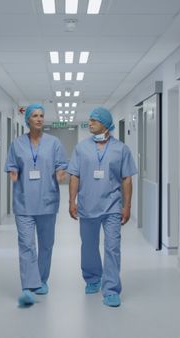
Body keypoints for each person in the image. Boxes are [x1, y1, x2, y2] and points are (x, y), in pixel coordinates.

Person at [66, 107, 137, 308]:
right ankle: (92, 278)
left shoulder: (121, 149)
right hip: (87, 204)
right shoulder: (81, 148)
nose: (90, 123)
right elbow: (75, 176)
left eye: (94, 120)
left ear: (105, 123)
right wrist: (72, 201)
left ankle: (112, 289)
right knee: (88, 246)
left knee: (112, 247)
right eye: (89, 120)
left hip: (112, 205)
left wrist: (127, 205)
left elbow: (127, 179)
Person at [5, 103, 68, 306]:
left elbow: (61, 164)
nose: (39, 118)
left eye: (41, 115)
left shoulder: (54, 143)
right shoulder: (17, 144)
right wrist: (13, 174)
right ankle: (28, 285)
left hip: (47, 201)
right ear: (28, 120)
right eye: (35, 115)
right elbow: (12, 165)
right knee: (26, 244)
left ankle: (42, 279)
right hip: (23, 202)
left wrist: (60, 173)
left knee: (46, 244)